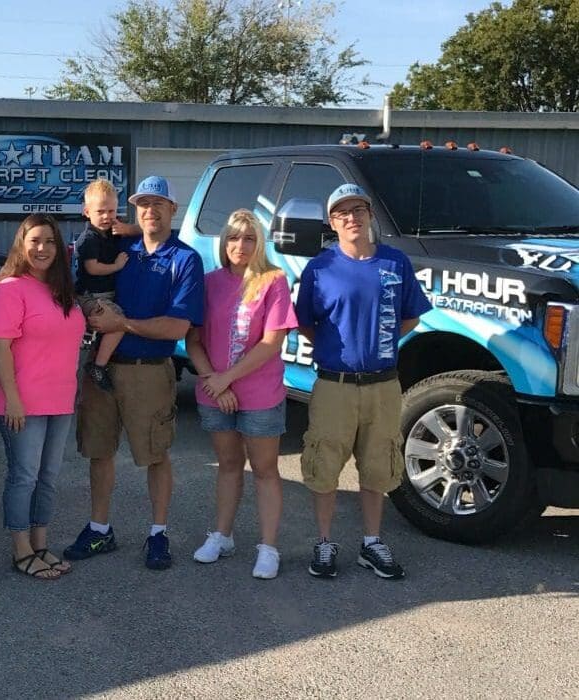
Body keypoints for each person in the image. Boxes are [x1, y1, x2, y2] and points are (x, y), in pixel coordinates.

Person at [65, 175, 204, 570]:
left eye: (159, 203)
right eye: (143, 204)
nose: (150, 210)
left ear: (173, 210)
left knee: (156, 455)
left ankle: (158, 533)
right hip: (100, 370)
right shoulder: (120, 247)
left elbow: (178, 328)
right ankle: (99, 528)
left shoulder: (184, 259)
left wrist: (122, 325)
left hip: (149, 369)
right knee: (99, 451)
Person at [296, 184, 432, 580]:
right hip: (334, 385)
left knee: (379, 464)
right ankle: (324, 543)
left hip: (383, 386)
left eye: (358, 210)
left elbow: (411, 317)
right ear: (332, 223)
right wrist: (342, 350)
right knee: (324, 462)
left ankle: (372, 543)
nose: (352, 218)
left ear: (370, 215)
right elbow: (306, 324)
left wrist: (378, 344)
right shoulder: (319, 268)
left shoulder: (395, 263)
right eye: (342, 213)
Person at [185, 209, 297, 579]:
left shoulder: (273, 281)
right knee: (229, 465)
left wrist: (227, 378)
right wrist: (213, 380)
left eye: (249, 238)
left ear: (259, 243)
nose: (240, 245)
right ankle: (222, 535)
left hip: (260, 393)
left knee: (264, 470)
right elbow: (194, 339)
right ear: (223, 242)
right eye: (233, 237)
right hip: (215, 392)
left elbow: (271, 342)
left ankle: (268, 548)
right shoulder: (209, 282)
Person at [0, 214, 87, 580]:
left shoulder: (64, 290)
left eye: (49, 241)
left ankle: (41, 543)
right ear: (22, 244)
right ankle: (21, 550)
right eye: (34, 241)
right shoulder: (11, 288)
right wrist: (12, 398)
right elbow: (0, 346)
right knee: (24, 476)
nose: (42, 248)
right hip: (21, 403)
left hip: (59, 400)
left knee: (48, 476)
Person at [74, 179, 134, 392]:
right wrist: (117, 266)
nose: (107, 216)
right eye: (101, 211)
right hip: (89, 296)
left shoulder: (112, 233)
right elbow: (93, 268)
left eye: (112, 211)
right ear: (87, 212)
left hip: (104, 294)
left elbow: (140, 232)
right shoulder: (88, 238)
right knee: (118, 321)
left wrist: (127, 228)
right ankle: (97, 366)